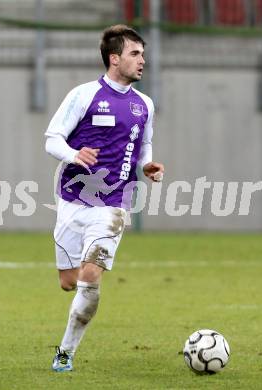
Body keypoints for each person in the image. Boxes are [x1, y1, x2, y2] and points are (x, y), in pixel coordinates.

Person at [45, 24, 164, 372]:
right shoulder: (83, 95)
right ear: (115, 59)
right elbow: (52, 139)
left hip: (113, 206)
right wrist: (73, 154)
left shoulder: (145, 105)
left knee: (91, 275)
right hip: (71, 201)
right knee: (69, 282)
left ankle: (65, 352)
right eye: (135, 54)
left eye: (143, 53)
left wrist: (147, 167)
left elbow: (144, 146)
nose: (143, 60)